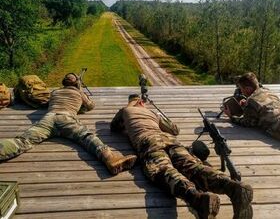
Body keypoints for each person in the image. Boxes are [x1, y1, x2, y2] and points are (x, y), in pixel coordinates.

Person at [110, 94, 253, 219]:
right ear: (141, 102)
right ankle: (232, 187)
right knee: (192, 166)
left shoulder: (125, 111)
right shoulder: (152, 113)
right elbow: (174, 130)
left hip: (148, 141)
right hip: (169, 139)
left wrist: (127, 124)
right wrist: (157, 115)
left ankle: (197, 199)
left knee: (162, 170)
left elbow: (113, 127)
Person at [0, 73, 137, 175]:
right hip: (67, 118)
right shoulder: (78, 92)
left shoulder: (55, 92)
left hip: (49, 117)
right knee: (87, 137)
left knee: (24, 140)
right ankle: (110, 158)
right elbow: (90, 106)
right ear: (76, 83)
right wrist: (81, 91)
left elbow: (50, 102)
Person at [224, 72, 280, 140]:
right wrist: (247, 106)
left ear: (248, 89)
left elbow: (248, 123)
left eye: (241, 89)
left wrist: (231, 117)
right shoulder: (268, 92)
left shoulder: (252, 100)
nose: (241, 91)